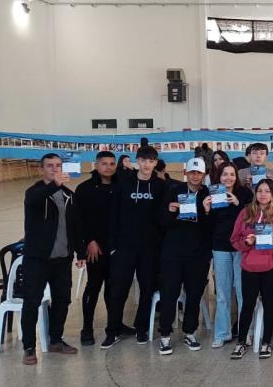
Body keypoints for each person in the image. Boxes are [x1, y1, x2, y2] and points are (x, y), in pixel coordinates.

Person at [21, 154, 86, 365]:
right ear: (42, 169)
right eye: (50, 166)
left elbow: (75, 226)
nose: (55, 169)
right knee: (31, 302)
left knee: (63, 300)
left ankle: (56, 340)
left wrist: (80, 252)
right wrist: (54, 185)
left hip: (62, 260)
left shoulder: (69, 195)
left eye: (58, 166)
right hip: (37, 259)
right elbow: (34, 201)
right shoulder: (34, 192)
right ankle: (29, 347)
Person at [103, 145, 167, 348]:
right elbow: (113, 214)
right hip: (125, 246)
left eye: (151, 161)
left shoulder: (160, 186)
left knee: (147, 289)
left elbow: (163, 218)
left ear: (155, 163)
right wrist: (112, 245)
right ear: (137, 161)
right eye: (143, 160)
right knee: (118, 290)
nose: (147, 164)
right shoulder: (124, 183)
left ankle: (141, 328)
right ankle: (112, 330)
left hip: (149, 248)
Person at [229, 178, 273, 359]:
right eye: (259, 190)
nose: (263, 194)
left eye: (267, 191)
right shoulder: (245, 212)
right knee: (247, 305)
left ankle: (266, 342)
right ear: (255, 193)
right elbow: (234, 239)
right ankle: (241, 342)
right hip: (250, 266)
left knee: (269, 303)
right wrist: (246, 242)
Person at [156, 158, 214, 355]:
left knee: (194, 295)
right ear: (186, 173)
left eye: (199, 173)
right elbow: (162, 222)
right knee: (169, 294)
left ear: (204, 175)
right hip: (173, 253)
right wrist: (170, 211)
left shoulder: (209, 194)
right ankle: (164, 335)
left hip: (198, 255)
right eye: (192, 172)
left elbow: (211, 227)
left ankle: (190, 331)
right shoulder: (173, 190)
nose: (195, 176)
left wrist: (207, 212)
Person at [208, 163, 254, 348]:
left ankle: (246, 332)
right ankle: (222, 333)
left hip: (242, 247)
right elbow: (208, 224)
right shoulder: (211, 193)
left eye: (232, 174)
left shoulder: (245, 194)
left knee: (243, 292)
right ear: (219, 176)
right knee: (223, 293)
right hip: (220, 247)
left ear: (237, 176)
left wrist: (238, 204)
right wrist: (206, 209)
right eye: (224, 174)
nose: (228, 178)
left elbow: (252, 218)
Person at [75, 151, 117, 346]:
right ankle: (87, 328)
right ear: (96, 165)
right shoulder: (85, 189)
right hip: (95, 248)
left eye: (111, 163)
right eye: (104, 164)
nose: (108, 167)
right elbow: (79, 220)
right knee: (93, 286)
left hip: (116, 247)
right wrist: (89, 242)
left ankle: (114, 325)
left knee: (113, 288)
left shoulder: (120, 186)